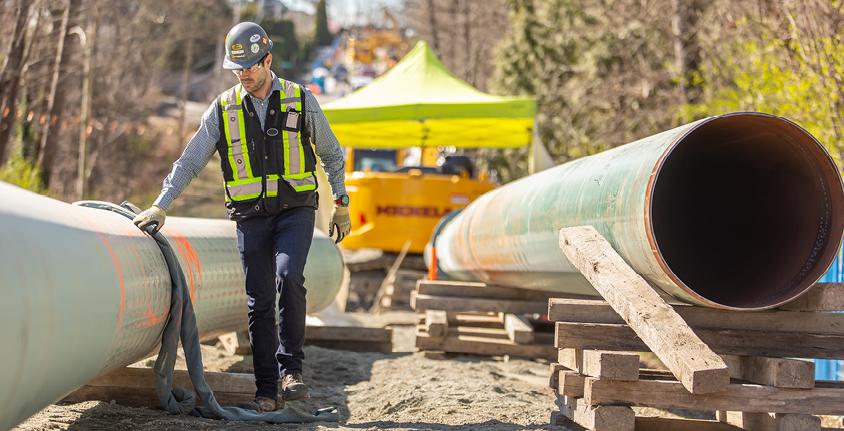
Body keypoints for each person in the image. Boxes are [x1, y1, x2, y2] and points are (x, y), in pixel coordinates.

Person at [132, 22, 352, 413]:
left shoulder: (301, 100)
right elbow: (190, 161)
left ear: (268, 60)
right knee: (259, 300)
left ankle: (292, 372)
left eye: (250, 66)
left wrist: (341, 201)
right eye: (237, 68)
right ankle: (267, 389)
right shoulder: (223, 108)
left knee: (289, 276)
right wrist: (161, 204)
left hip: (296, 210)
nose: (244, 74)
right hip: (250, 216)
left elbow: (332, 154)